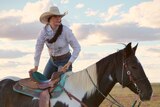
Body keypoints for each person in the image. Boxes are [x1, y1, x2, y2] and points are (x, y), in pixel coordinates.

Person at [29, 6, 81, 107]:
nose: (59, 19)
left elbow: (77, 48)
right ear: (49, 19)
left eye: (59, 17)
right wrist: (36, 66)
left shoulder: (66, 31)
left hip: (65, 61)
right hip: (52, 61)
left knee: (65, 88)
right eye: (55, 17)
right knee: (43, 84)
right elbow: (38, 48)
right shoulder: (43, 32)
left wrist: (70, 62)